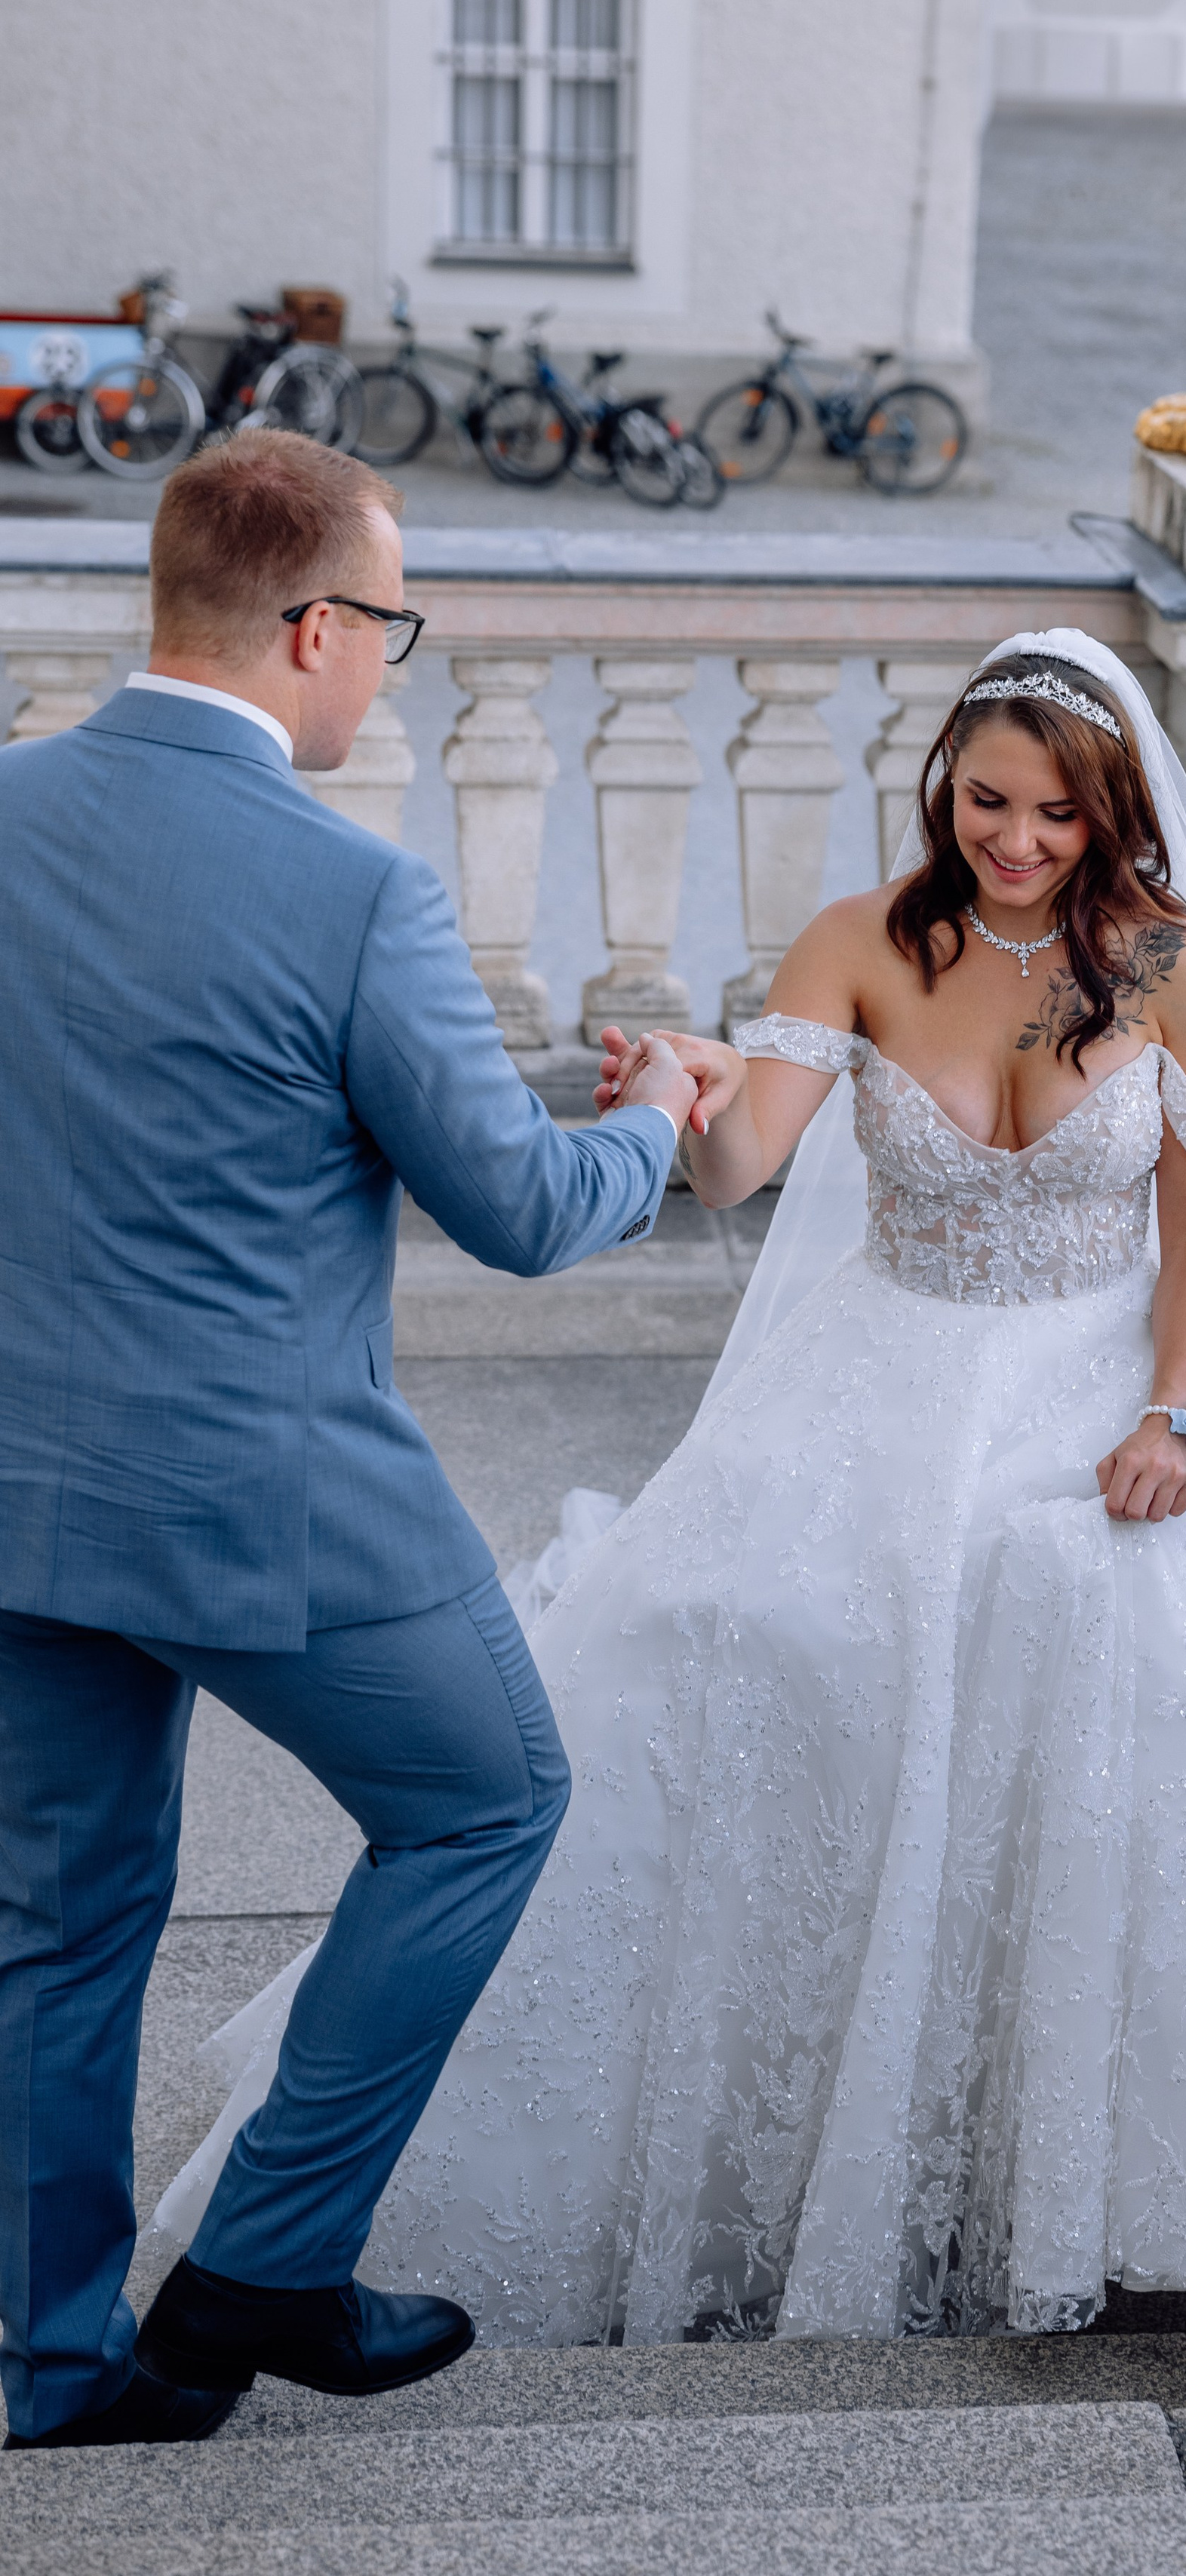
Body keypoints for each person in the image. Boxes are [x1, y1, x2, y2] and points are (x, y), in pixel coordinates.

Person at [157, 631, 1186, 2344]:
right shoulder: (861, 939)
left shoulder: (1170, 967)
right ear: (944, 783)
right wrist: (669, 1099)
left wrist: (1177, 1433)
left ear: (1110, 809)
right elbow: (738, 1167)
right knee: (737, 1628)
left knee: (1121, 1623)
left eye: (1052, 813)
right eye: (985, 799)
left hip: (1097, 1384)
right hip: (875, 1374)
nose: (1011, 839)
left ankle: (1137, 2159)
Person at [0, 431, 698, 2448]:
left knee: (54, 1922)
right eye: (388, 626)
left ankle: (48, 2372)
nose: (387, 665)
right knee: (487, 1798)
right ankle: (265, 2262)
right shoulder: (359, 891)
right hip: (267, 1497)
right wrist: (655, 1120)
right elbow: (525, 1212)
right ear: (311, 626)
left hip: (25, 1480)